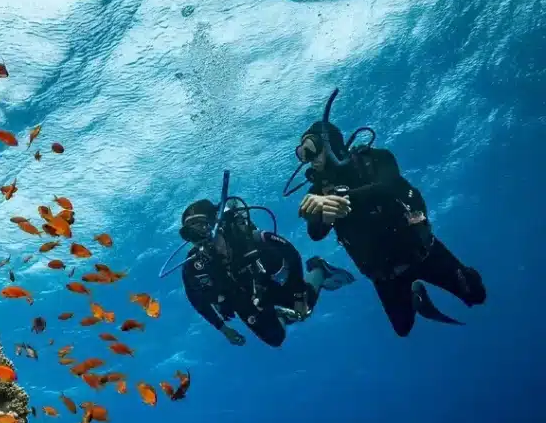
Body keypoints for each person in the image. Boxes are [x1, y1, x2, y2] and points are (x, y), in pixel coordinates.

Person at [289, 89, 486, 336]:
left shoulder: (375, 159)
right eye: (302, 154)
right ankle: (416, 294)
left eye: (311, 149)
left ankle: (454, 280)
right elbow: (316, 234)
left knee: (477, 295)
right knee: (403, 329)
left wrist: (341, 198)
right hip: (385, 276)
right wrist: (320, 214)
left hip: (422, 252)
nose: (308, 160)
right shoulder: (319, 191)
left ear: (330, 143)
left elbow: (388, 187)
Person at [178, 197, 354, 347]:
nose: (196, 236)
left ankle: (319, 269)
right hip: (243, 299)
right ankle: (280, 316)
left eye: (200, 226)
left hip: (271, 283)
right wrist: (223, 329)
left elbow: (291, 254)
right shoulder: (193, 266)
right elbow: (196, 298)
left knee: (304, 310)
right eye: (189, 232)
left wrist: (300, 296)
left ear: (215, 222)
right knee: (276, 339)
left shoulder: (250, 240)